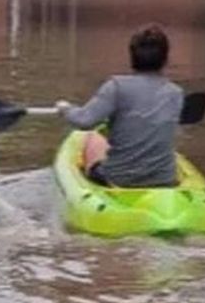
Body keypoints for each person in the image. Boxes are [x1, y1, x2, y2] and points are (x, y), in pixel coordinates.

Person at [56, 24, 182, 188]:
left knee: (92, 137)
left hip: (119, 179)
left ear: (132, 57)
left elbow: (84, 121)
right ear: (165, 59)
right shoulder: (176, 93)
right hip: (164, 179)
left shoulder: (116, 86)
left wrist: (65, 109)